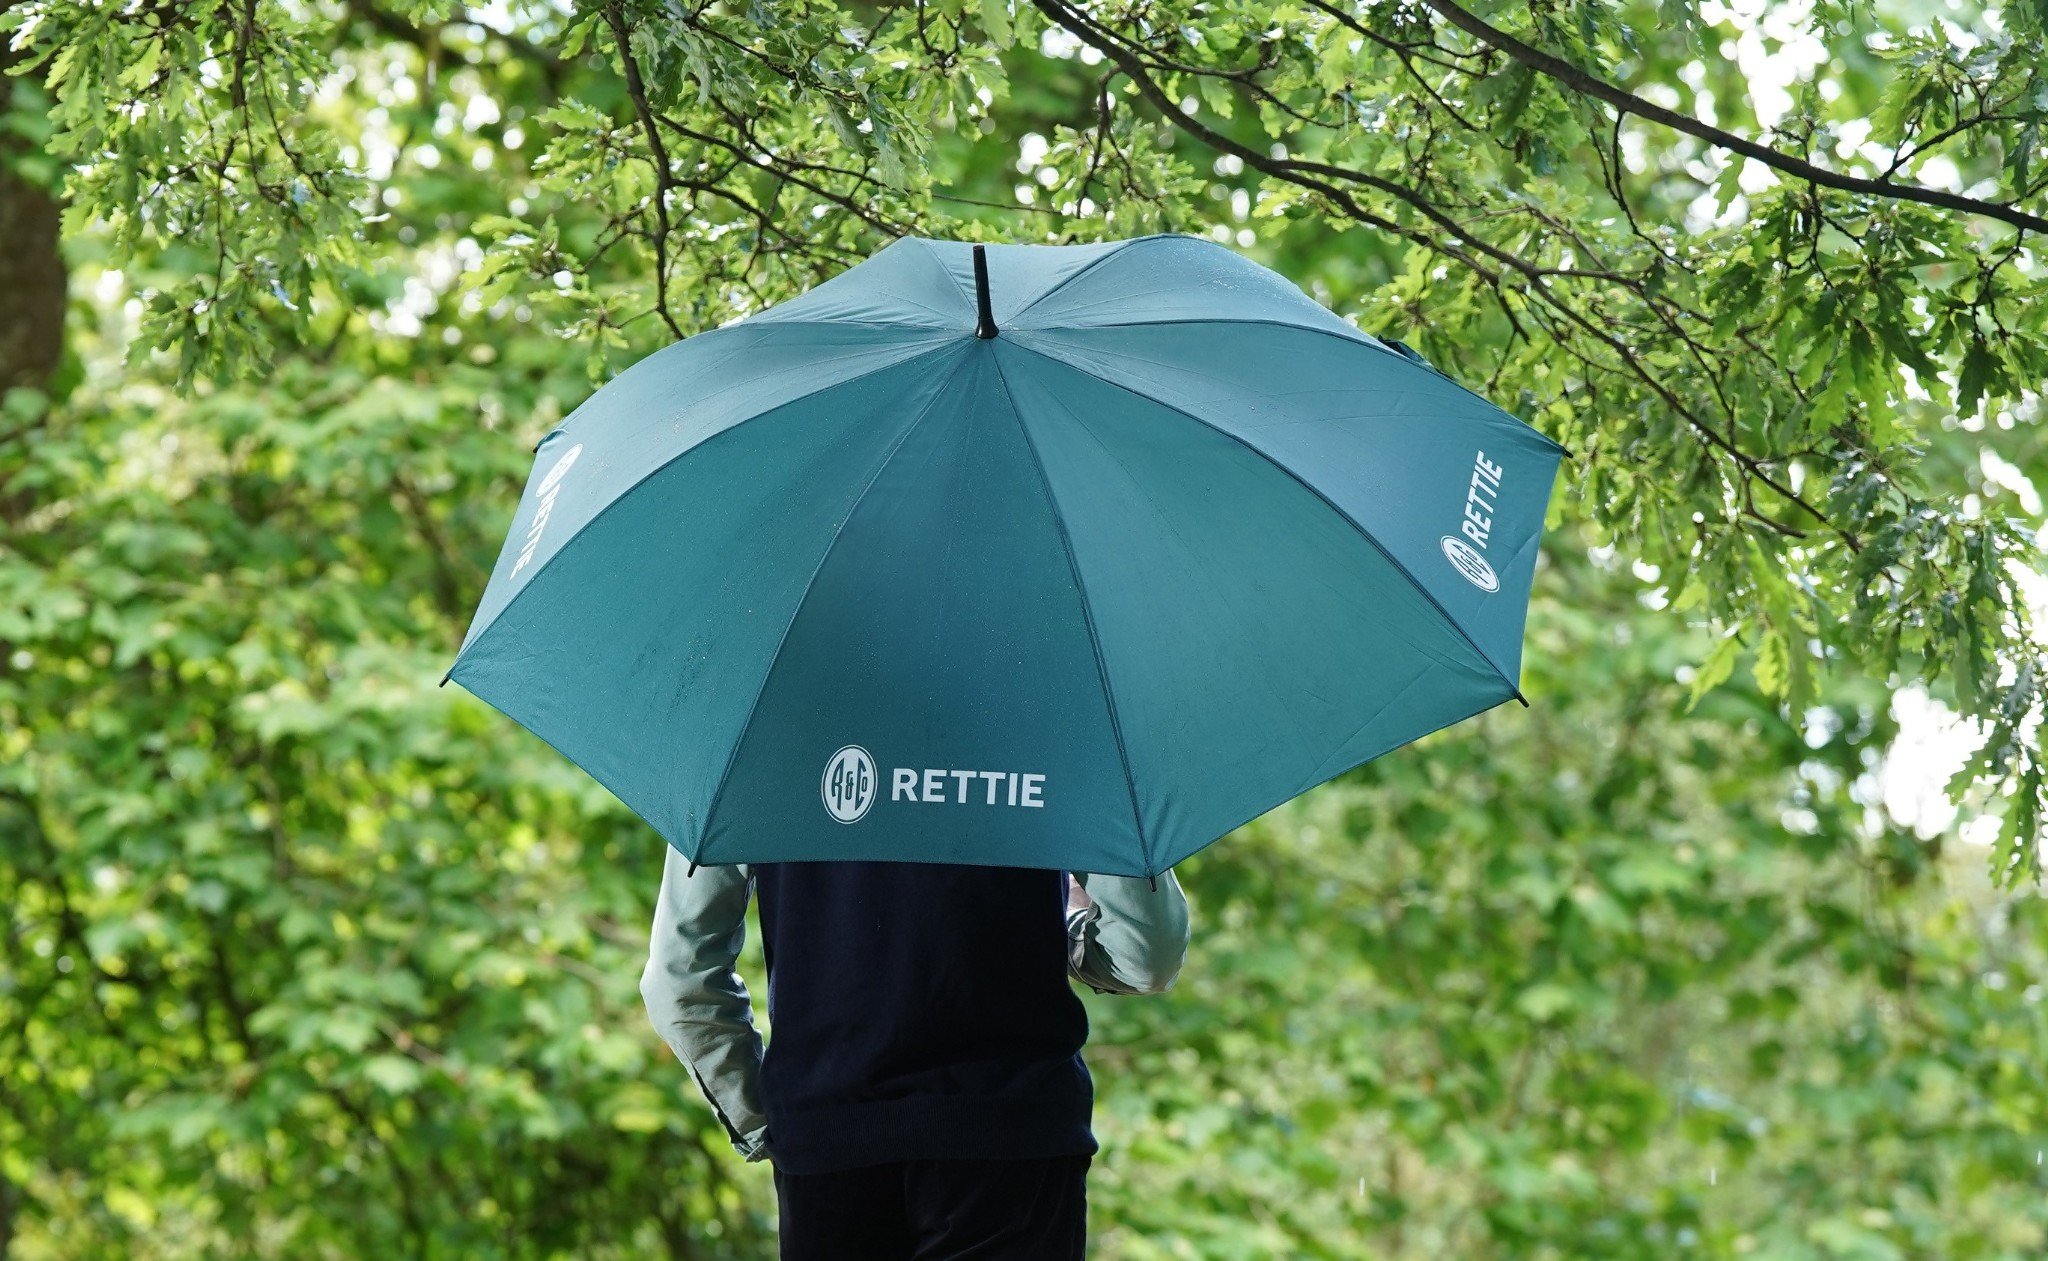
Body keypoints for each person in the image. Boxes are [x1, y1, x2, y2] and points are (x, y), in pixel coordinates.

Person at [640, 851, 1191, 1260]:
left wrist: (773, 1121)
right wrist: (1065, 927)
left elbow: (681, 979)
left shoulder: (753, 728)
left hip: (827, 1146)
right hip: (1010, 1141)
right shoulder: (1056, 716)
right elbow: (1145, 954)